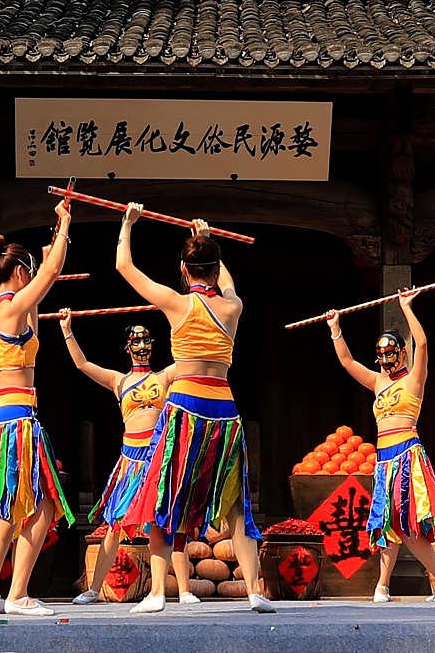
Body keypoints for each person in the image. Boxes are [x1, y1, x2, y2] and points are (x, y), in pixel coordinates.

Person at [116, 204, 274, 614]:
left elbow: (124, 267)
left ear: (185, 271)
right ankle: (255, 591)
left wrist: (128, 224)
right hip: (223, 410)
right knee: (237, 504)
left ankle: (155, 595)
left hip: (185, 409)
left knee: (164, 497)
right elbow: (230, 287)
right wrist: (208, 244)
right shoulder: (232, 309)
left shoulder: (176, 303)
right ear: (215, 267)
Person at [324, 292, 435, 604]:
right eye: (380, 355)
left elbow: (422, 345)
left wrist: (406, 308)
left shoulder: (414, 380)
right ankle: (384, 585)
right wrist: (335, 328)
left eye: (391, 353)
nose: (385, 360)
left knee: (406, 524)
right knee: (387, 524)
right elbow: (346, 361)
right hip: (384, 460)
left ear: (401, 353)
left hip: (407, 454)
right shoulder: (377, 383)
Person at [0, 199, 76, 617]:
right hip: (17, 419)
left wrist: (55, 240)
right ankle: (16, 594)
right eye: (28, 273)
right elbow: (52, 274)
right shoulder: (13, 308)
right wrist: (67, 225)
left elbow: (37, 307)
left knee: (8, 506)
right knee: (43, 505)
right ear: (20, 273)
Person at [60, 317, 198, 605]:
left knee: (169, 524)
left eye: (147, 339)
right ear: (127, 347)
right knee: (114, 526)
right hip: (130, 461)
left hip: (157, 459)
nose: (142, 345)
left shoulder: (164, 376)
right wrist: (67, 330)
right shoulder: (118, 380)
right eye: (136, 341)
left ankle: (184, 590)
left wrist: (187, 318)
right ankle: (93, 589)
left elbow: (190, 358)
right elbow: (83, 365)